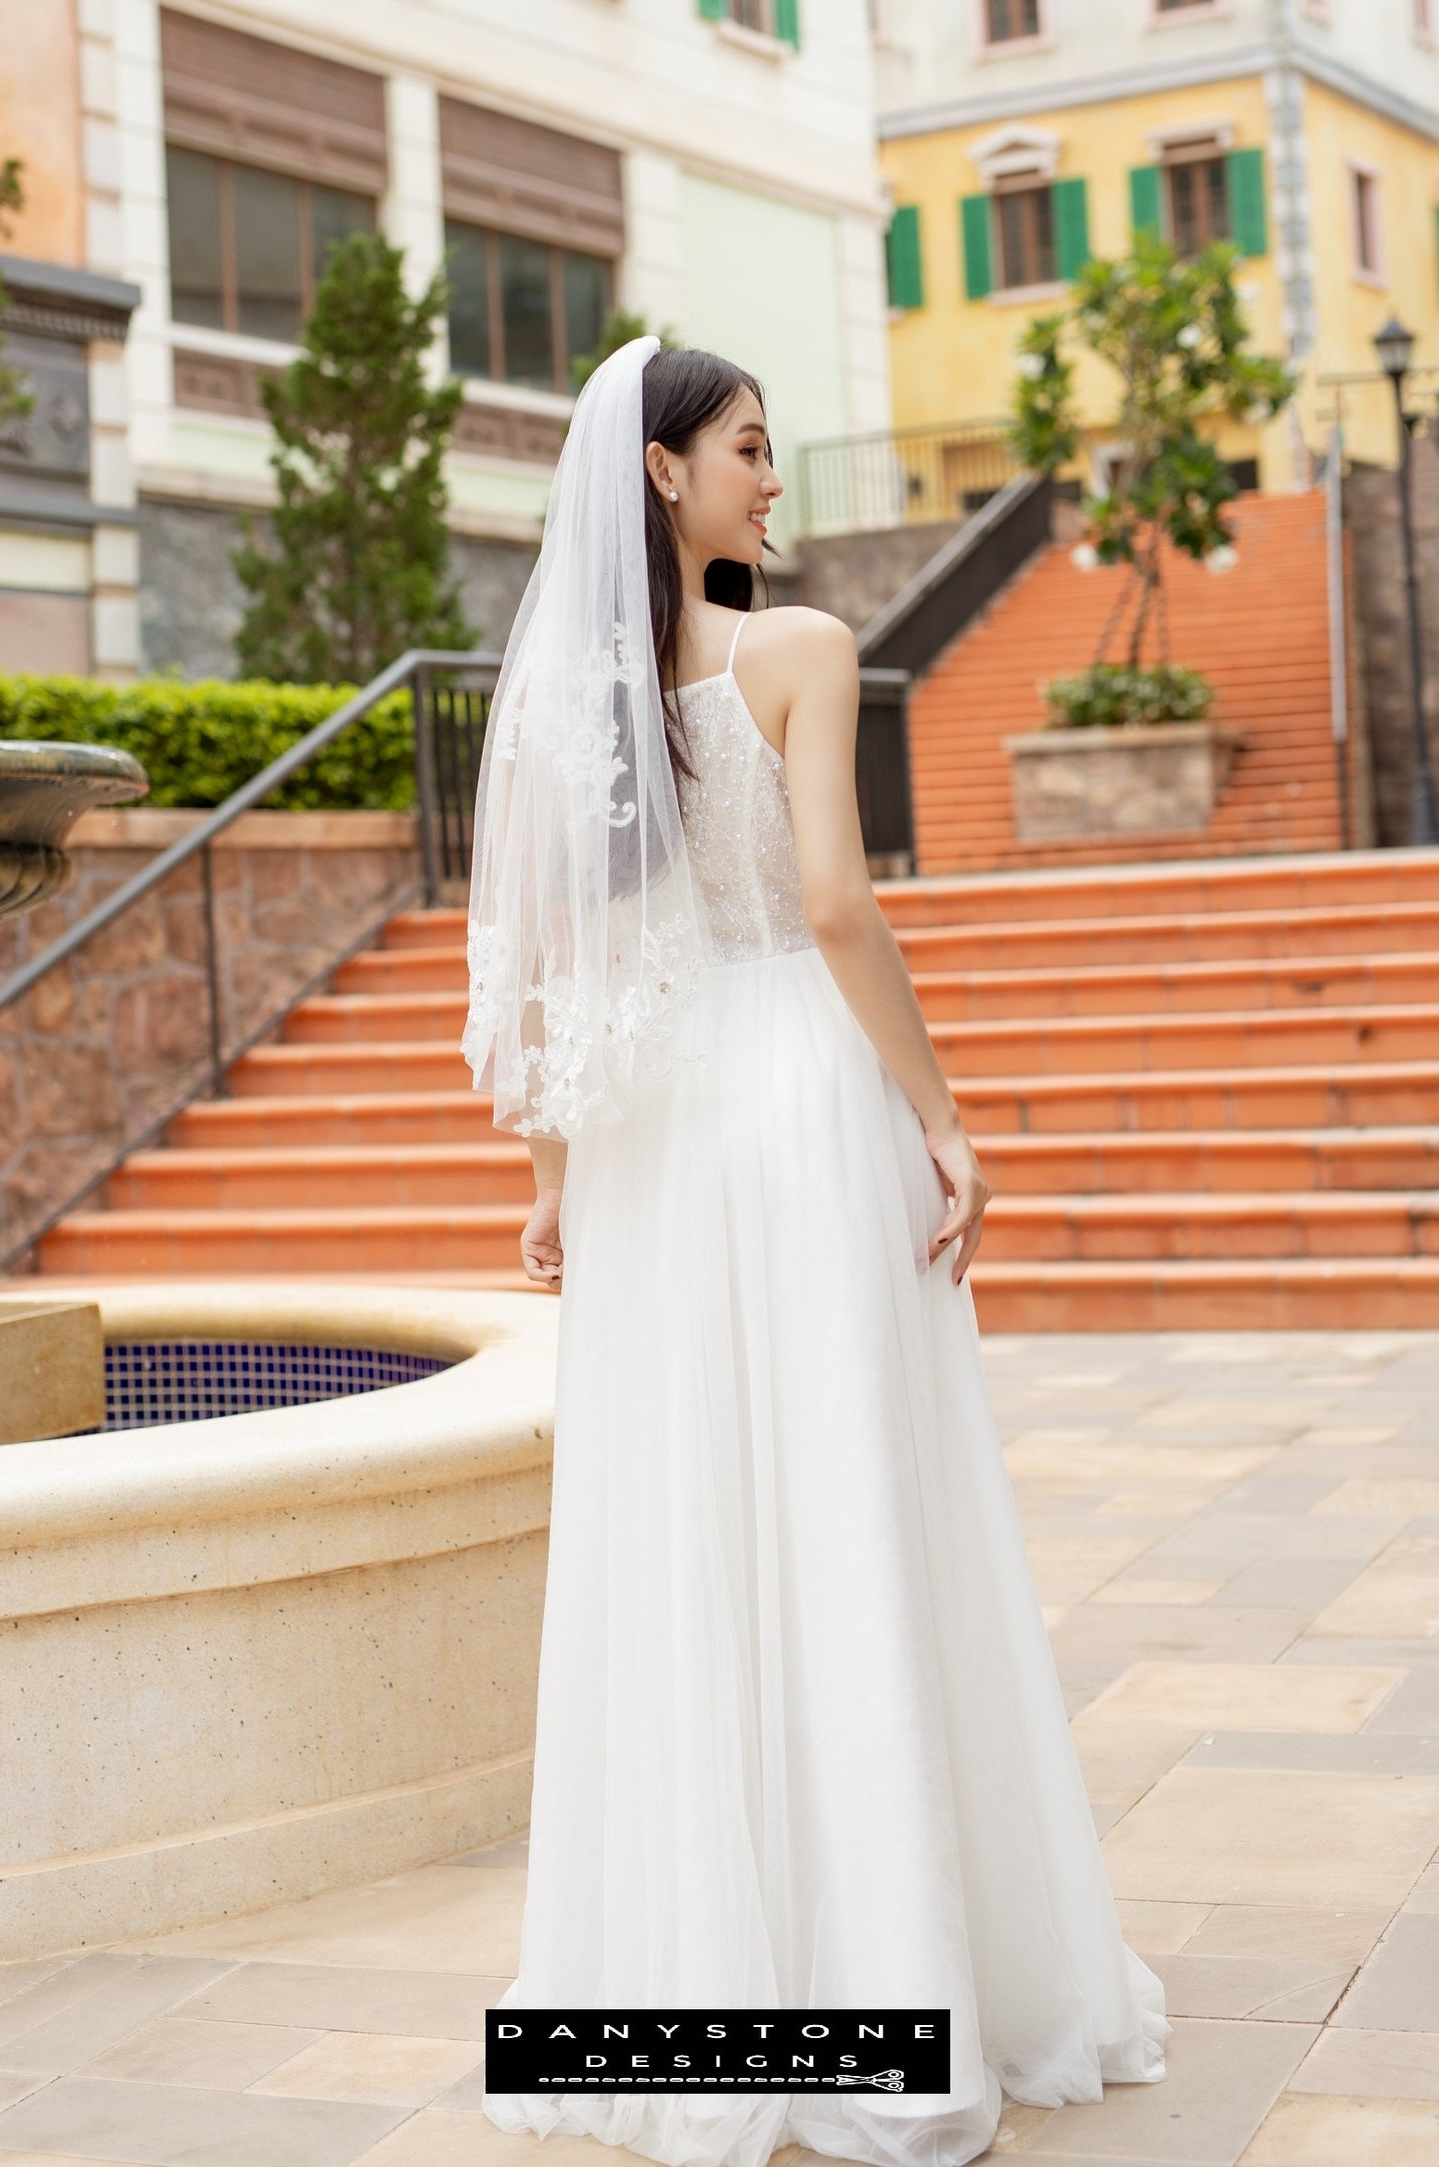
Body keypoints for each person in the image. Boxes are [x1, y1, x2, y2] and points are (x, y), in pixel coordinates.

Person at [465, 337, 1169, 2167]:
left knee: (685, 1535)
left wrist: (549, 1177)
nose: (773, 482)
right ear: (660, 474)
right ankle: (890, 1996)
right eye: (751, 451)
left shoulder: (571, 704)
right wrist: (937, 1109)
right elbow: (840, 906)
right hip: (788, 1099)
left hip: (647, 1140)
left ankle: (678, 2011)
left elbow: (559, 965)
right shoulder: (798, 651)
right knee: (854, 1508)